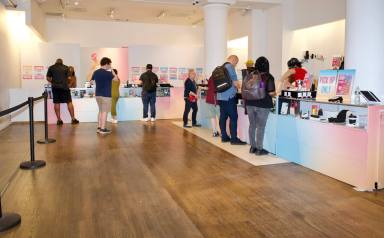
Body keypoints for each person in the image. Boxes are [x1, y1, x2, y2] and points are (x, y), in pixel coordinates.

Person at [246, 57, 276, 155]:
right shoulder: (268, 77)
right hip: (263, 104)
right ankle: (259, 149)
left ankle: (252, 147)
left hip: (250, 103)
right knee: (260, 127)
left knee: (252, 125)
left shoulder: (251, 75)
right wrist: (278, 91)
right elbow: (271, 93)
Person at [217, 55, 246, 145]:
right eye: (236, 63)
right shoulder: (230, 67)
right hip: (229, 97)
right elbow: (235, 82)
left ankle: (224, 136)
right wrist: (240, 86)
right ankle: (234, 138)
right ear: (233, 60)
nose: (235, 65)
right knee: (233, 117)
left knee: (223, 117)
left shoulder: (221, 67)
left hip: (221, 97)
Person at [46, 59, 79, 125]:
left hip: (55, 88)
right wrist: (67, 83)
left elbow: (48, 78)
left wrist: (52, 81)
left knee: (56, 103)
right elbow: (69, 78)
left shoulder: (51, 67)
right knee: (69, 102)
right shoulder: (66, 68)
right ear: (62, 62)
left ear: (56, 62)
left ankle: (59, 120)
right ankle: (73, 119)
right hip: (65, 88)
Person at [91, 57, 118, 135]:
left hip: (98, 95)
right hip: (106, 95)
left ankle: (99, 127)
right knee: (104, 112)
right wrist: (112, 71)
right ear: (106, 64)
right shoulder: (109, 73)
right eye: (110, 64)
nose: (110, 66)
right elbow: (116, 79)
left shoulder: (96, 72)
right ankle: (103, 129)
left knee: (100, 111)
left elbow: (91, 82)